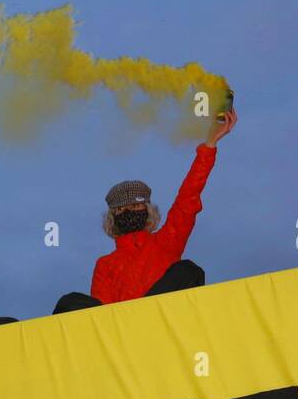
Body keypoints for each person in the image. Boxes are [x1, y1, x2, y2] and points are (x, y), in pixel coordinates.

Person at [54, 108, 238, 314]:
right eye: (122, 209)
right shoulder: (106, 265)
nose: (129, 211)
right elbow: (101, 311)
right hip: (123, 325)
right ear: (113, 218)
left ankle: (151, 314)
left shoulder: (167, 242)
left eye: (135, 205)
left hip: (162, 314)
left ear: (147, 211)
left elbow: (187, 199)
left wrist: (209, 144)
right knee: (69, 302)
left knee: (188, 270)